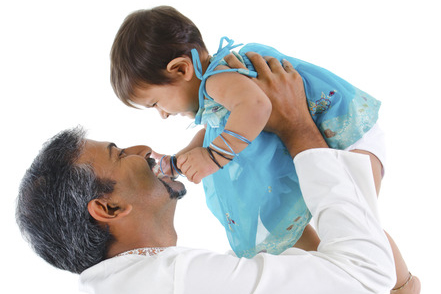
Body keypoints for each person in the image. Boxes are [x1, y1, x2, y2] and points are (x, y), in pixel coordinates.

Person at [16, 54, 397, 293]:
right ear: (109, 207)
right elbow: (367, 275)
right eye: (120, 154)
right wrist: (298, 127)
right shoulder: (176, 280)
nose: (144, 150)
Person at [109, 6, 419, 293]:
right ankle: (340, 268)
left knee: (357, 224)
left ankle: (402, 286)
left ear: (180, 69)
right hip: (322, 144)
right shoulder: (216, 90)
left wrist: (216, 157)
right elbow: (211, 132)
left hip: (346, 136)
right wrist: (178, 162)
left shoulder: (220, 77)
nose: (162, 114)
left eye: (155, 103)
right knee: (310, 230)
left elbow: (257, 106)